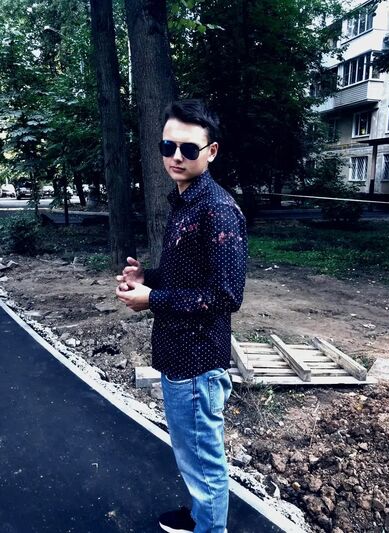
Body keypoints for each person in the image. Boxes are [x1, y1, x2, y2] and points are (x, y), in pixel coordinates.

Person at [116, 99, 247, 533]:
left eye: (189, 149)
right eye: (167, 146)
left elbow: (226, 295)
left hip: (197, 362)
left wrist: (152, 299)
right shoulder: (186, 201)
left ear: (211, 152)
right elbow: (187, 276)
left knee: (204, 461)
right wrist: (146, 277)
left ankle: (210, 527)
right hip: (179, 355)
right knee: (192, 455)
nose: (176, 156)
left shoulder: (216, 209)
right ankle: (199, 516)